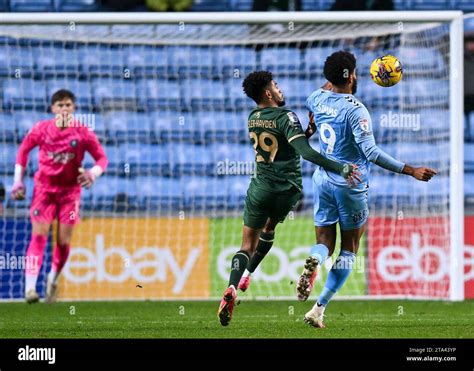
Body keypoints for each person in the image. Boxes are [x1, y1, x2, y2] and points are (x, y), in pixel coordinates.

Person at [298, 51, 436, 328]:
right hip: (350, 184)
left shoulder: (316, 97)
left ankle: (315, 257)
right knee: (349, 249)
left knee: (325, 241)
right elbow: (371, 152)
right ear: (350, 76)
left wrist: (316, 119)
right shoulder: (356, 109)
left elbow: (312, 111)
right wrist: (410, 170)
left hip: (323, 179)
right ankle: (319, 307)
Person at [217, 70, 360, 326]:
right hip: (287, 190)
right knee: (270, 229)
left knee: (246, 245)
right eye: (276, 85)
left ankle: (233, 285)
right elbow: (304, 152)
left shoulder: (253, 118)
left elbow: (283, 143)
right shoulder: (286, 116)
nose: (280, 89)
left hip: (260, 187)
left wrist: (307, 131)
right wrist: (340, 167)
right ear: (268, 93)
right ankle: (248, 274)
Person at [11, 89, 108, 304]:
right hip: (44, 190)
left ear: (73, 109)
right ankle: (29, 289)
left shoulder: (82, 133)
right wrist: (18, 180)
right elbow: (23, 151)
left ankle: (53, 278)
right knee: (39, 235)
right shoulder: (41, 129)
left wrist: (93, 173)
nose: (64, 109)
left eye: (68, 105)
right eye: (60, 105)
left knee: (63, 242)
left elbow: (102, 159)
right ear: (53, 109)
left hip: (70, 193)